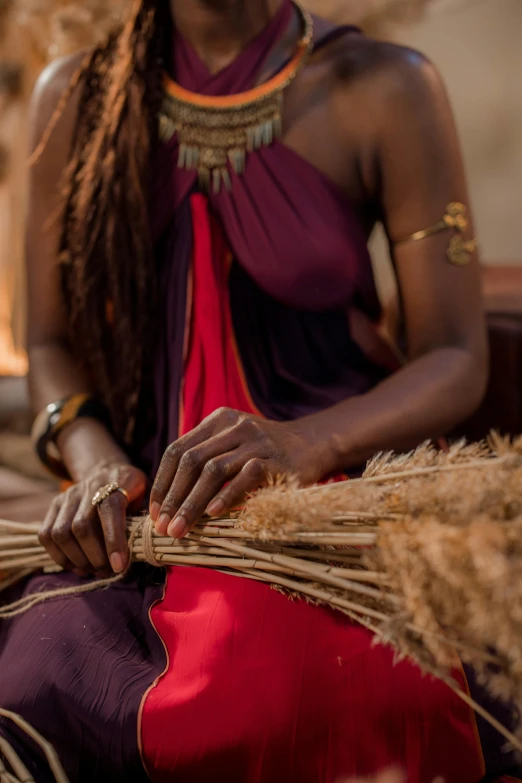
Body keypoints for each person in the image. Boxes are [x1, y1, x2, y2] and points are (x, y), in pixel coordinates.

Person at [0, 0, 512, 781]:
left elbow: (453, 355)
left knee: (321, 688)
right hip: (148, 503)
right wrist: (94, 458)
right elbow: (44, 340)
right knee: (33, 676)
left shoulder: (384, 86)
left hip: (334, 486)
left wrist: (304, 440)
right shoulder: (72, 96)